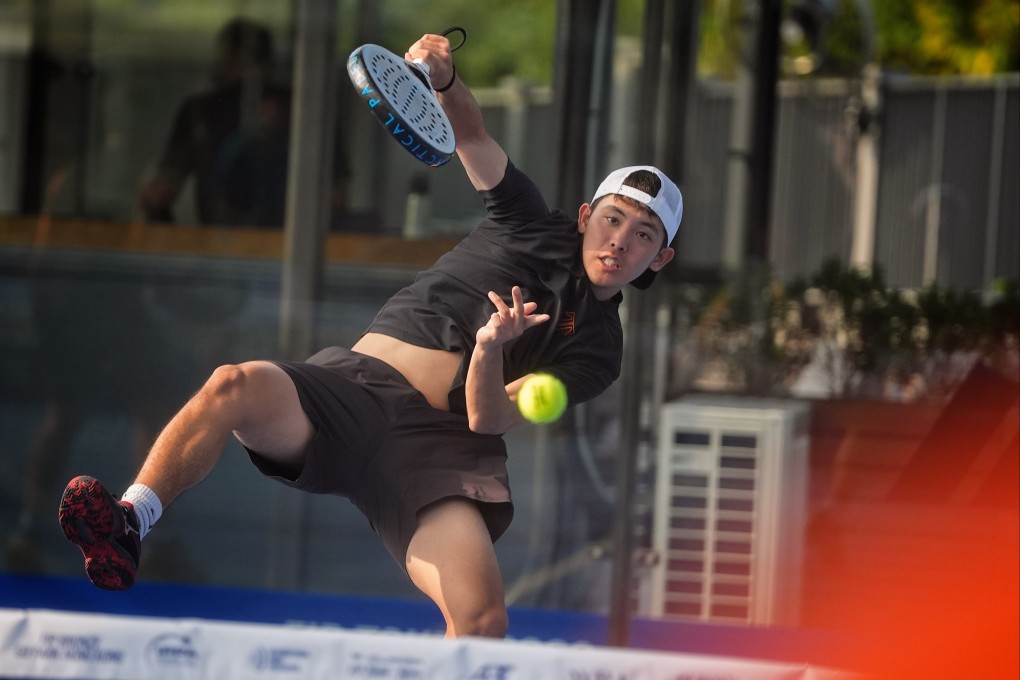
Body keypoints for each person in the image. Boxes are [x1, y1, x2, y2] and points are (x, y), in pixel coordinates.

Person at [58, 32, 682, 638]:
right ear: (585, 216)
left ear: (660, 258)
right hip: (349, 394)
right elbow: (471, 134)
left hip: (438, 452)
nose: (620, 242)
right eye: (612, 219)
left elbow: (490, 419)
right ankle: (130, 521)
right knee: (233, 384)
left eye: (643, 235)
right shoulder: (527, 219)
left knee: (482, 621)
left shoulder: (600, 353)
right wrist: (445, 78)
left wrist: (490, 350)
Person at [138, 17, 292, 228]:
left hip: (280, 237)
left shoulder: (296, 111)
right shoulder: (202, 111)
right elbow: (163, 188)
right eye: (234, 59)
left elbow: (331, 195)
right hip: (217, 238)